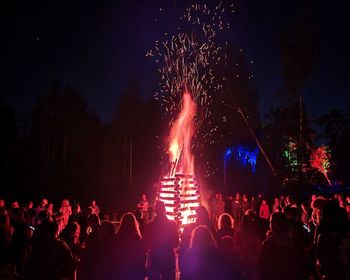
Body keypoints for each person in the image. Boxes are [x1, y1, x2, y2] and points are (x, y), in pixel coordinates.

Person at [260, 212, 304, 280]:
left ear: (274, 224)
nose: (269, 224)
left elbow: (263, 268)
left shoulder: (268, 244)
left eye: (271, 222)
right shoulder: (295, 243)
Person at [144, 200, 179, 280]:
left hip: (154, 258)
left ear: (155, 211)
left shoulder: (150, 226)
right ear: (164, 210)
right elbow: (176, 243)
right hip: (168, 257)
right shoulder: (171, 224)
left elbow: (146, 243)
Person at [115, 212, 146, 279]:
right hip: (133, 268)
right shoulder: (136, 237)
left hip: (121, 268)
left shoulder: (118, 237)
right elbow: (141, 254)